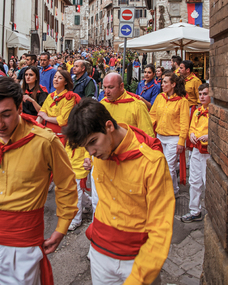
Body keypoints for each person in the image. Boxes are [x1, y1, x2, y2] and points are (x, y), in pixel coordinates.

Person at [0, 77, 78, 285]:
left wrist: (62, 227)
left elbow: (66, 185)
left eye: (6, 115)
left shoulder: (46, 142)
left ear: (19, 108)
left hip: (23, 244)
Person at [63, 99, 175, 285]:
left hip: (138, 259)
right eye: (86, 147)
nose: (91, 152)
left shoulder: (152, 162)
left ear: (109, 126)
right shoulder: (101, 152)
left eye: (93, 142)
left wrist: (140, 276)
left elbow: (160, 228)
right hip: (100, 254)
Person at [150, 71, 189, 196]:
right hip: (160, 136)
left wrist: (181, 141)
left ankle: (169, 193)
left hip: (173, 138)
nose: (162, 84)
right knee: (161, 165)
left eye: (165, 82)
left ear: (173, 84)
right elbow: (153, 115)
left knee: (169, 167)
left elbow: (184, 123)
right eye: (162, 82)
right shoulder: (160, 97)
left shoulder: (182, 101)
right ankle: (175, 190)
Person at [181, 83, 210, 223]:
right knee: (194, 180)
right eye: (200, 94)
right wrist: (191, 134)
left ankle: (211, 214)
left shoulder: (214, 113)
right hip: (197, 150)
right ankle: (194, 210)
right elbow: (191, 126)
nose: (202, 97)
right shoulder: (198, 111)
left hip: (208, 151)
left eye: (205, 94)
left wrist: (209, 136)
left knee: (207, 181)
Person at [101, 73, 154, 137]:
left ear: (121, 86)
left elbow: (148, 135)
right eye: (105, 87)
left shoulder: (137, 105)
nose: (106, 91)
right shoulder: (102, 104)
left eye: (111, 87)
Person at [37, 70, 80, 140]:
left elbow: (63, 120)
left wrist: (47, 118)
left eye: (60, 78)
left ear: (66, 82)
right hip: (47, 135)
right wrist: (34, 128)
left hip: (61, 137)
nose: (56, 80)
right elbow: (42, 113)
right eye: (55, 77)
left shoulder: (69, 97)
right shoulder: (50, 96)